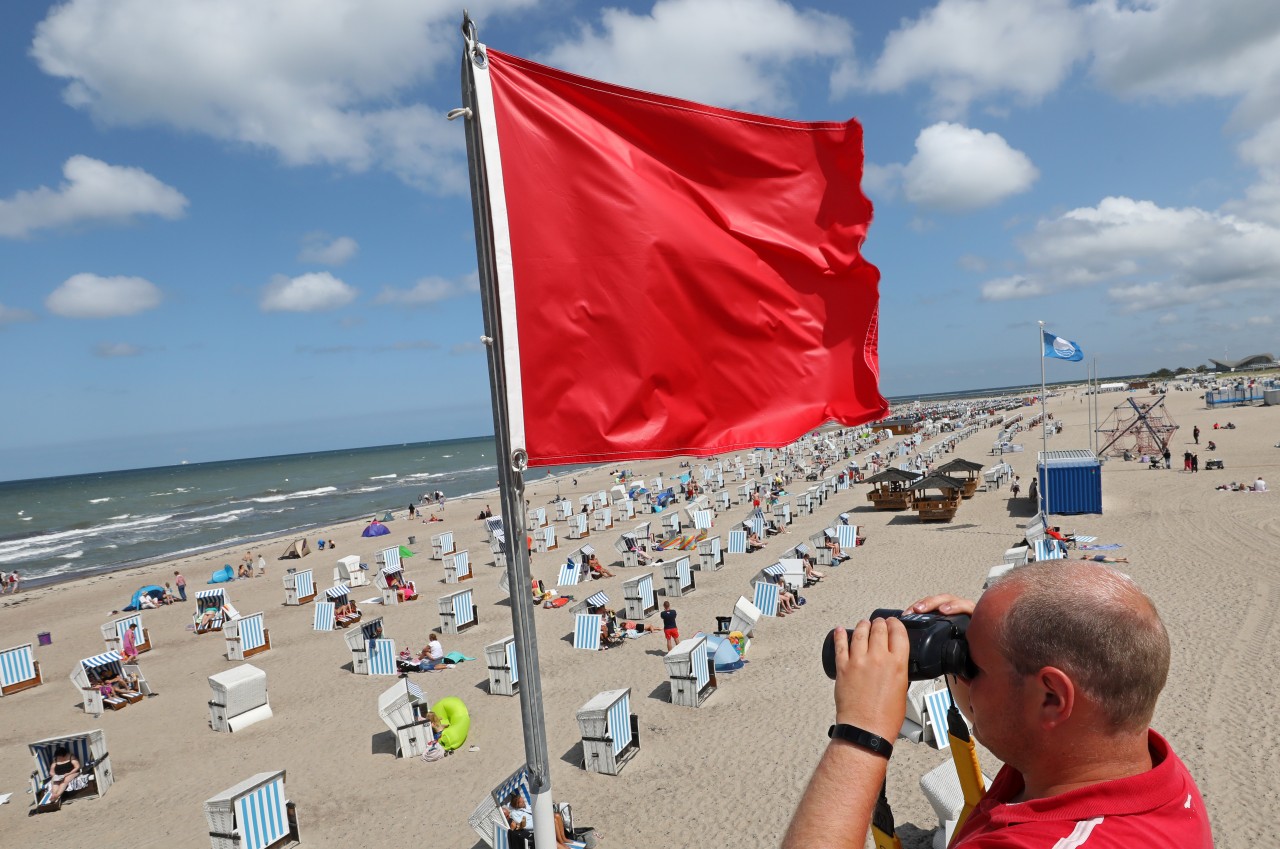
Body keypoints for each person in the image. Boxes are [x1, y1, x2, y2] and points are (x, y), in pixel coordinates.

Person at [782, 561, 1213, 849]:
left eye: (973, 665)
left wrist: (862, 732)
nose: (962, 674)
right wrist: (996, 635)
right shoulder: (1147, 769)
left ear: (1050, 699)